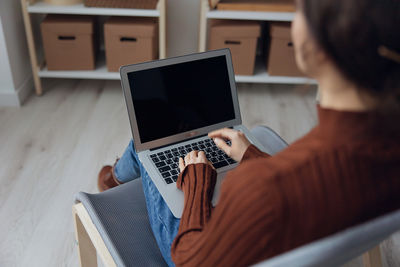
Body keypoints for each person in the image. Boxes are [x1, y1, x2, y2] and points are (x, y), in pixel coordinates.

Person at [98, 0, 400, 265]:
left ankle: (114, 178)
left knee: (146, 143)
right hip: (293, 235)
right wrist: (252, 156)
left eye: (298, 10)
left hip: (197, 250)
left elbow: (189, 259)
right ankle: (115, 176)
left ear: (321, 47)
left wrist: (197, 183)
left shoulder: (259, 187)